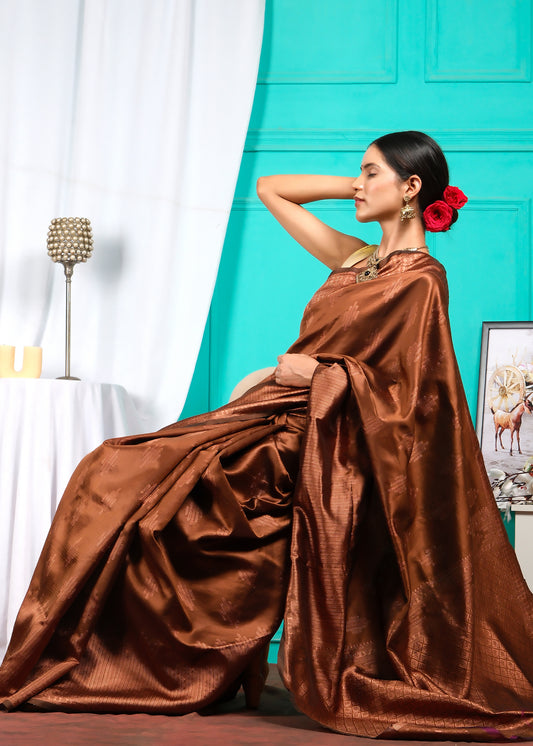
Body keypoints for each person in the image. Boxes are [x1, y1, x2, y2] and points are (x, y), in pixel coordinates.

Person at [1, 131, 533, 740]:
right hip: (276, 413)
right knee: (113, 465)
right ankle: (92, 658)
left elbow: (413, 402)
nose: (357, 184)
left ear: (411, 188)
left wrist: (321, 375)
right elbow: (271, 191)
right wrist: (361, 187)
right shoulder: (356, 258)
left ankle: (147, 663)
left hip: (327, 440)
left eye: (370, 173)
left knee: (152, 489)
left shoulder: (421, 280)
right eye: (356, 173)